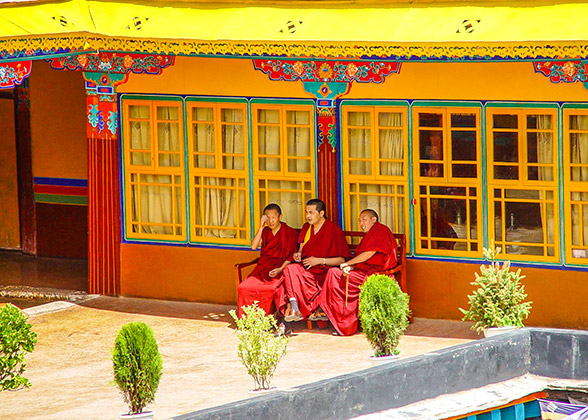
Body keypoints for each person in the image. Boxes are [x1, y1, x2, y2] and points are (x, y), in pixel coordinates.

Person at [311, 209, 398, 336]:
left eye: (364, 220)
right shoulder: (370, 234)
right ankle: (335, 317)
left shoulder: (381, 230)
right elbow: (362, 259)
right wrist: (350, 267)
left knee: (334, 275)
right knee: (333, 273)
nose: (361, 223)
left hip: (376, 273)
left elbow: (369, 254)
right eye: (359, 220)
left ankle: (341, 321)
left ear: (374, 220)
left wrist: (348, 264)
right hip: (363, 270)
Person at [274, 199, 351, 328]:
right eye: (306, 212)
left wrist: (320, 260)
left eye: (311, 212)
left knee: (288, 281)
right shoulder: (306, 228)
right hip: (306, 270)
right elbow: (300, 250)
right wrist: (297, 255)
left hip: (322, 273)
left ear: (321, 213)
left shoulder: (333, 231)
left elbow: (342, 260)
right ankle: (294, 307)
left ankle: (287, 322)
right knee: (289, 269)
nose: (308, 216)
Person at [237, 203, 298, 318]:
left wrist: (280, 269)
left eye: (273, 218)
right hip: (263, 268)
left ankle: (267, 318)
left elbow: (290, 256)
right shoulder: (265, 231)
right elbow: (254, 246)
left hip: (280, 268)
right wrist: (261, 226)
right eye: (267, 218)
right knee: (244, 287)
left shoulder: (289, 233)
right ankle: (249, 319)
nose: (271, 221)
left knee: (270, 289)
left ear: (280, 217)